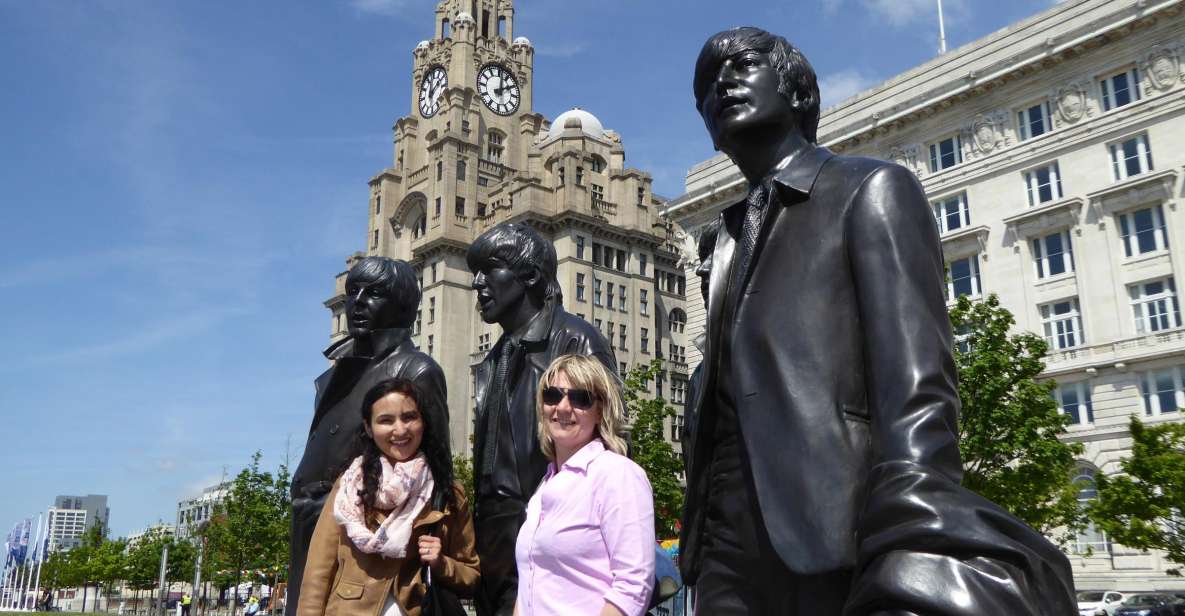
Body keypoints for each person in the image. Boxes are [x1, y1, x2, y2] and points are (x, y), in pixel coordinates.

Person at [680, 26, 1076, 614]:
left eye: (741, 64)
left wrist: (912, 541)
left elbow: (917, 386)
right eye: (706, 85)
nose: (721, 83)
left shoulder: (869, 189)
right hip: (722, 545)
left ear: (796, 89)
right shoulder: (725, 239)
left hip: (836, 531)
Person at [466, 223, 617, 616]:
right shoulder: (493, 359)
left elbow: (613, 449)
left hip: (550, 547)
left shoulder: (576, 342)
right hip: (493, 549)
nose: (478, 284)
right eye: (474, 273)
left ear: (530, 275)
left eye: (490, 270)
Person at [289, 257, 448, 616]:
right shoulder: (336, 374)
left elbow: (439, 470)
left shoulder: (416, 370)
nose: (358, 302)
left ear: (402, 304)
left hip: (367, 552)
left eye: (374, 293)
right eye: (353, 292)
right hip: (316, 528)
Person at [299, 378, 479, 616]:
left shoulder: (448, 492)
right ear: (368, 428)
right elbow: (317, 574)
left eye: (409, 417)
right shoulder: (349, 487)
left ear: (423, 422)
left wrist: (440, 563)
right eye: (386, 420)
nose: (400, 430)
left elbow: (472, 575)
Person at [513, 354, 654, 616]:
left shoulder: (617, 475)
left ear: (600, 410)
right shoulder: (544, 487)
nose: (563, 407)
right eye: (553, 395)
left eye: (580, 398)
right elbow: (529, 584)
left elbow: (632, 587)